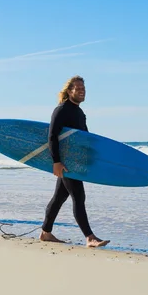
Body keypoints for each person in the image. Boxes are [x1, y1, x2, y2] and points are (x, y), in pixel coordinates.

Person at [39, 76, 110, 248]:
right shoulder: (61, 110)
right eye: (78, 88)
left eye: (83, 88)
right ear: (69, 91)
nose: (81, 91)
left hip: (75, 161)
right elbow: (52, 136)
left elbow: (83, 138)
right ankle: (90, 237)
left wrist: (92, 156)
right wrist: (56, 161)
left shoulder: (79, 112)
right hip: (66, 161)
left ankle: (45, 233)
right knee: (78, 196)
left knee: (59, 197)